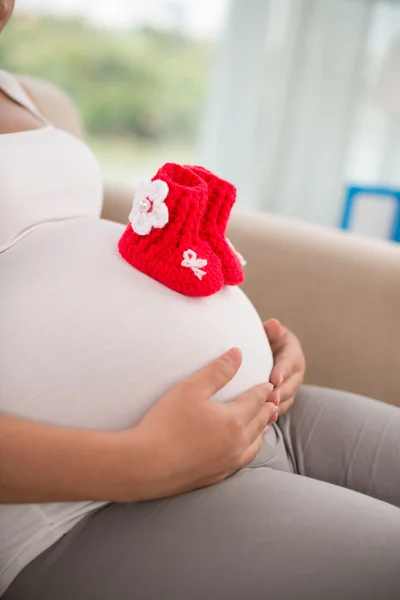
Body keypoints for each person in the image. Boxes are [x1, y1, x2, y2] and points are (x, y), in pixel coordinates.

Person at [0, 2, 399, 599]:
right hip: (87, 501)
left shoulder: (16, 88)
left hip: (268, 413)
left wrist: (247, 341)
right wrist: (144, 460)